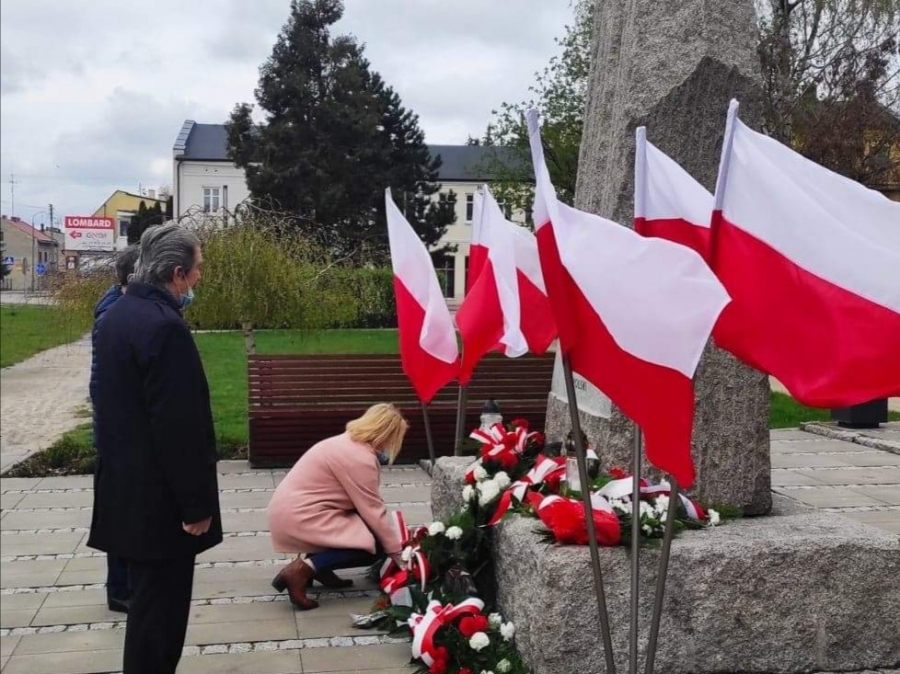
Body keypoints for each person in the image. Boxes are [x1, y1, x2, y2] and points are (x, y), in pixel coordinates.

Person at [87, 224, 222, 674]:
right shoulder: (164, 327)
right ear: (177, 274)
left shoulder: (119, 313)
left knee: (147, 610)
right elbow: (178, 427)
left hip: (126, 487)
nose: (200, 277)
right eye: (197, 268)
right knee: (161, 618)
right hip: (161, 503)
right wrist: (195, 505)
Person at [267, 403, 408, 610]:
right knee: (373, 546)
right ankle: (301, 571)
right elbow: (373, 510)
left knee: (361, 531)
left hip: (293, 512)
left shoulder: (345, 443)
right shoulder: (360, 458)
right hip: (303, 516)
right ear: (386, 434)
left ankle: (321, 569)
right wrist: (398, 553)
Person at [89, 245, 139, 614]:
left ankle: (127, 583)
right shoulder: (114, 317)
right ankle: (121, 589)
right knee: (122, 511)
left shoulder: (116, 306)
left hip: (120, 430)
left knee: (127, 510)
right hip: (120, 433)